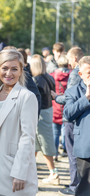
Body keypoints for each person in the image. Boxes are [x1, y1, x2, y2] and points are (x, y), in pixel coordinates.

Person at [0, 49, 38, 196]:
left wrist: (20, 173)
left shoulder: (27, 97)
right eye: (5, 68)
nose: (9, 73)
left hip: (15, 168)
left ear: (21, 71)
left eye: (14, 69)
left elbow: (28, 137)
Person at [52, 47, 84, 195]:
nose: (69, 62)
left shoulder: (76, 73)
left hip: (72, 118)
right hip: (80, 117)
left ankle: (74, 186)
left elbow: (69, 96)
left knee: (73, 154)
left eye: (70, 59)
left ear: (75, 59)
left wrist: (56, 97)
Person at [30, 54, 59, 184]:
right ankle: (30, 170)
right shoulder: (49, 77)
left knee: (43, 142)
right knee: (36, 143)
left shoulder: (35, 80)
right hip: (47, 110)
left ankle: (53, 172)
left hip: (39, 113)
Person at [63, 56, 90, 196]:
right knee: (84, 189)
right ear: (80, 74)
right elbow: (68, 114)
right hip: (85, 148)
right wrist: (86, 98)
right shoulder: (73, 91)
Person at [50, 55, 70, 161]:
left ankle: (54, 153)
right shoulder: (71, 76)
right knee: (64, 129)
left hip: (55, 105)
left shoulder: (52, 75)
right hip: (66, 105)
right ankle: (65, 149)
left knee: (55, 132)